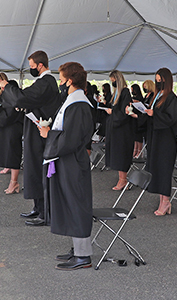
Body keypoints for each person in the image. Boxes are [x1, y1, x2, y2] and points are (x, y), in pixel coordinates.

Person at [40, 62, 93, 270]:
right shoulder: (73, 101)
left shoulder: (79, 105)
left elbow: (70, 140)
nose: (60, 83)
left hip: (73, 162)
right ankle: (77, 250)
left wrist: (48, 134)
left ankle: (83, 256)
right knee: (70, 203)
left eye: (62, 79)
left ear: (70, 81)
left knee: (76, 204)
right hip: (68, 162)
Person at [0, 50, 61, 226]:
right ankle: (38, 207)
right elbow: (27, 101)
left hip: (40, 135)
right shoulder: (42, 82)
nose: (31, 69)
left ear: (40, 65)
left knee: (39, 171)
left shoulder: (46, 82)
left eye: (32, 66)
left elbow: (22, 98)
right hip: (34, 132)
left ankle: (45, 212)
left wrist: (7, 85)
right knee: (33, 169)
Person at [140, 68, 177, 215]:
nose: (158, 82)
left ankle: (166, 201)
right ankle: (162, 199)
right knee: (156, 168)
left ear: (166, 80)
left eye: (160, 80)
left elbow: (171, 118)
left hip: (166, 140)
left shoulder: (172, 98)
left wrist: (154, 113)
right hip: (155, 138)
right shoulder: (157, 96)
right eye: (156, 80)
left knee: (164, 170)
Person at [105, 70, 134, 190]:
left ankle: (123, 180)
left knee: (121, 154)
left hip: (123, 130)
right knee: (116, 154)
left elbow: (124, 112)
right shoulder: (116, 92)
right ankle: (122, 179)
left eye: (114, 81)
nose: (113, 83)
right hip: (115, 129)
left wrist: (113, 112)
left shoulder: (125, 92)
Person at [0, 77, 24, 194]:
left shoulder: (12, 92)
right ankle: (13, 182)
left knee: (13, 152)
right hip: (9, 127)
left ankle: (14, 183)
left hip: (13, 127)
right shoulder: (7, 93)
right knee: (10, 152)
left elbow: (9, 114)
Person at [130, 83, 145, 158]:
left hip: (139, 119)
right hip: (134, 118)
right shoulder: (134, 97)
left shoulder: (140, 98)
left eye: (132, 90)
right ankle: (135, 150)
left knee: (139, 137)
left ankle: (140, 152)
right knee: (135, 137)